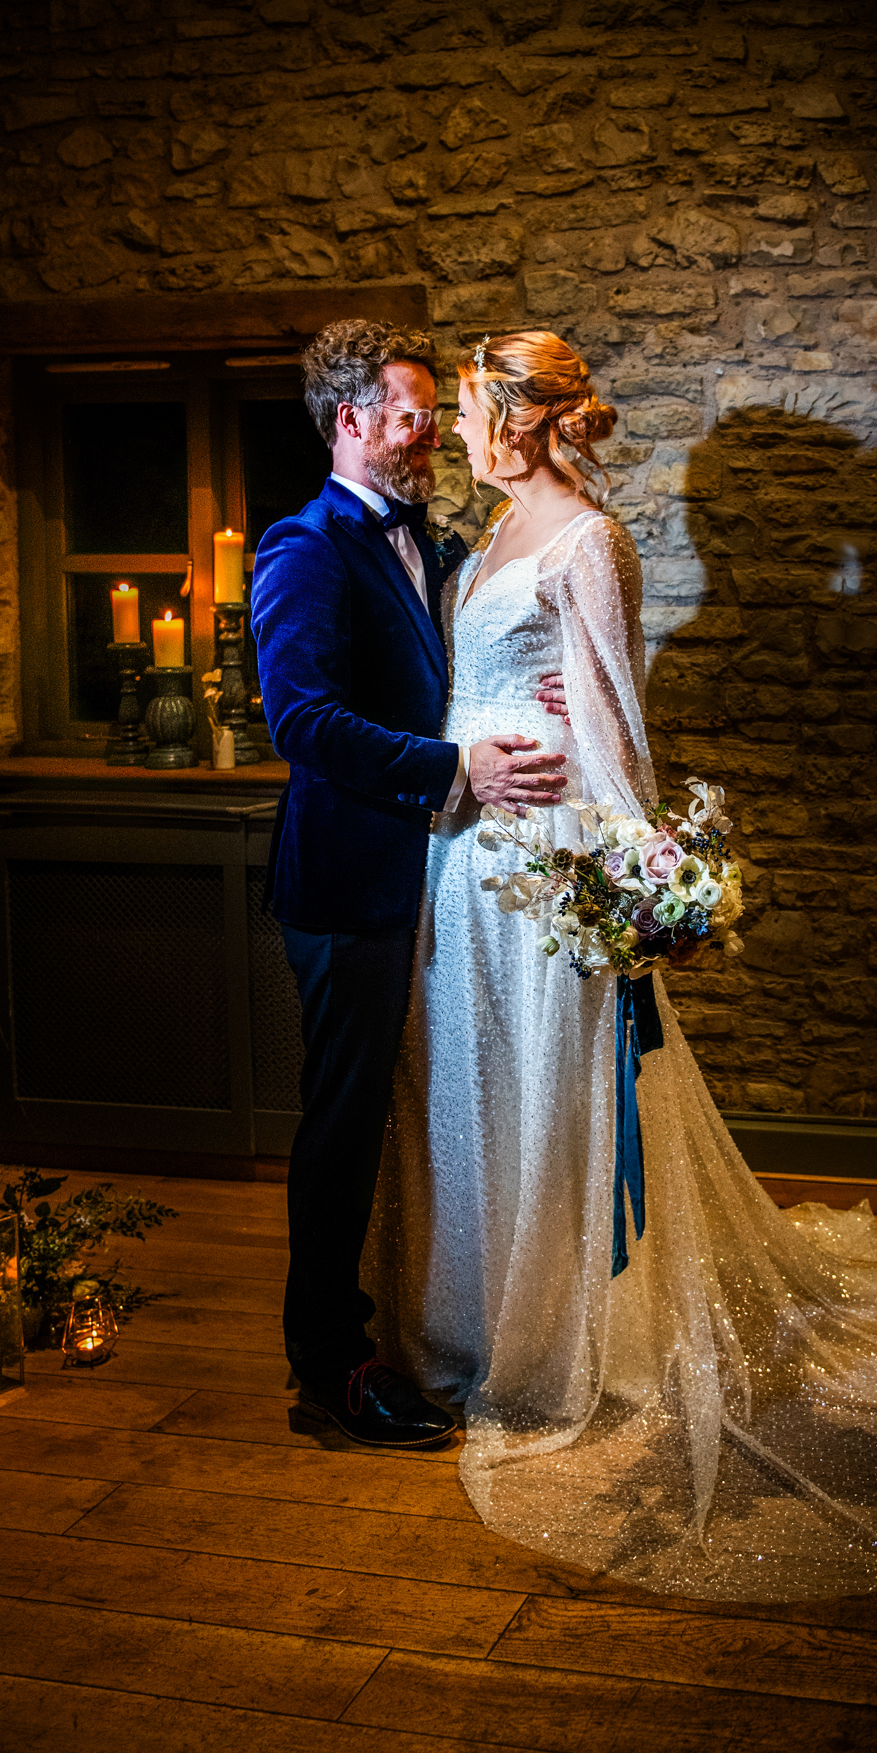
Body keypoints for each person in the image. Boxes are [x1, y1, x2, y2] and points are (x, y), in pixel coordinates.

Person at [366, 329, 877, 1602]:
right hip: (463, 852)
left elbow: (618, 722)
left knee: (554, 1091)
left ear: (522, 415)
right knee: (466, 1084)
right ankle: (471, 1316)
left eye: (469, 407)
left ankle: (560, 1338)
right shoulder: (491, 536)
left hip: (548, 857)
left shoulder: (590, 541)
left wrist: (639, 877)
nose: (456, 429)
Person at [250, 318, 571, 1447]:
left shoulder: (433, 544)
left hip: (437, 881)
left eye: (436, 416)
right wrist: (454, 768)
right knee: (344, 1128)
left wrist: (541, 696)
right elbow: (302, 721)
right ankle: (330, 1367)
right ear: (349, 421)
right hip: (350, 886)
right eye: (409, 415)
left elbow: (462, 675)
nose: (430, 432)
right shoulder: (303, 546)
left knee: (415, 1119)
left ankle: (423, 1320)